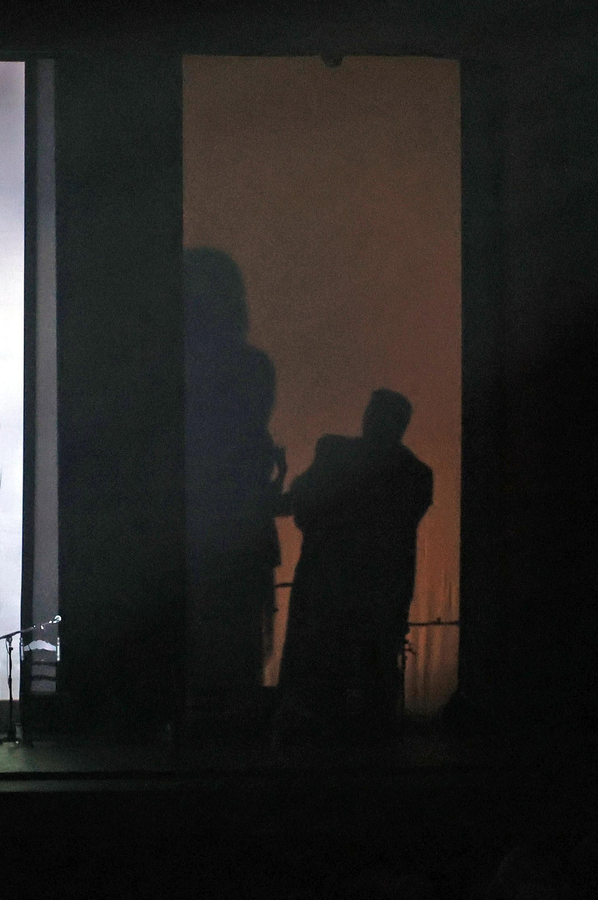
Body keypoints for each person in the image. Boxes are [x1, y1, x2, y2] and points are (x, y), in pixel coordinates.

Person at [275, 389, 433, 742]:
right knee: (372, 688)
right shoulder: (417, 475)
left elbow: (304, 505)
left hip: (327, 592)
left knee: (316, 690)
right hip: (379, 597)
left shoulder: (335, 453)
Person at [183, 248, 285, 722]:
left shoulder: (174, 371)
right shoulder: (253, 368)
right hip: (241, 530)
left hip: (192, 530)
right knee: (237, 646)